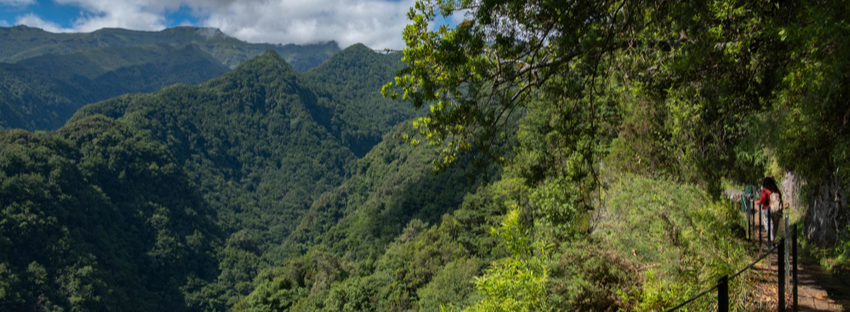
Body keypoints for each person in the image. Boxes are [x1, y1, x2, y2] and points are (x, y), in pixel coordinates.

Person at [756, 176, 782, 246]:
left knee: (769, 225)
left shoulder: (764, 190)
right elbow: (780, 200)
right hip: (777, 210)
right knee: (775, 226)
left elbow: (763, 201)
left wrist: (757, 202)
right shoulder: (777, 190)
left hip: (767, 210)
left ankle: (771, 241)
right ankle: (773, 240)